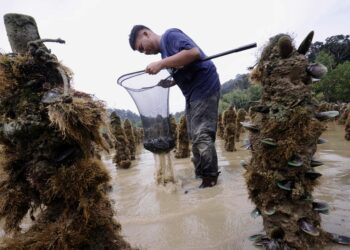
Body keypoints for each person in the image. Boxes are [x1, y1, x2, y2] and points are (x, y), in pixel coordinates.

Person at [129, 25, 221, 188]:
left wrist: (161, 64)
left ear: (146, 34)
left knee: (202, 134)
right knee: (194, 136)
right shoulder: (165, 52)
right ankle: (201, 175)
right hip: (191, 94)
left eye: (142, 47)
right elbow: (184, 68)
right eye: (141, 52)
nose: (145, 52)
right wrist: (172, 81)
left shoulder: (169, 36)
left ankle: (210, 180)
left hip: (204, 86)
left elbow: (193, 53)